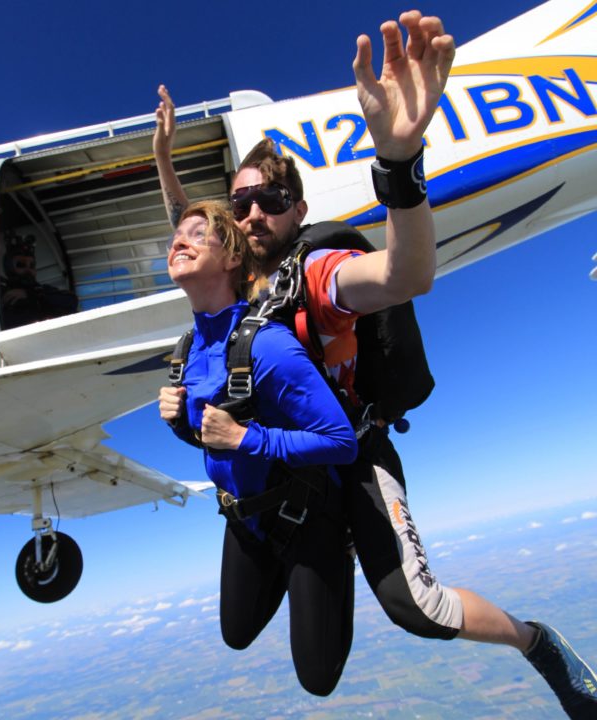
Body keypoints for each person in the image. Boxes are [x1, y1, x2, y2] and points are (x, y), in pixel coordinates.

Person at [153, 11, 597, 718]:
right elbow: (192, 227)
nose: (253, 213)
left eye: (271, 201)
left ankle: (535, 641)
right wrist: (166, 161)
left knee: (412, 605)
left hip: (353, 451)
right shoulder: (236, 281)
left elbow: (401, 276)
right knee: (254, 626)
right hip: (284, 465)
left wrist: (396, 164)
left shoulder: (317, 272)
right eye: (242, 204)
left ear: (297, 210)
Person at [158, 200, 358, 696]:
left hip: (308, 515)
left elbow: (341, 442)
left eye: (198, 234)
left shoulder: (267, 345)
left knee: (318, 678)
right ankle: (298, 580)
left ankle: (332, 562)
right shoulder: (187, 351)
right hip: (244, 517)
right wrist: (179, 423)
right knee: (237, 633)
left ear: (230, 259)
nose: (179, 241)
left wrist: (247, 438)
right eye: (176, 235)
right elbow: (216, 439)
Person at [0, 233, 78, 329]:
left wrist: (31, 295)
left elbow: (71, 300)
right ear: (9, 268)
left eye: (32, 265)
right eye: (20, 264)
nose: (28, 270)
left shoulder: (43, 291)